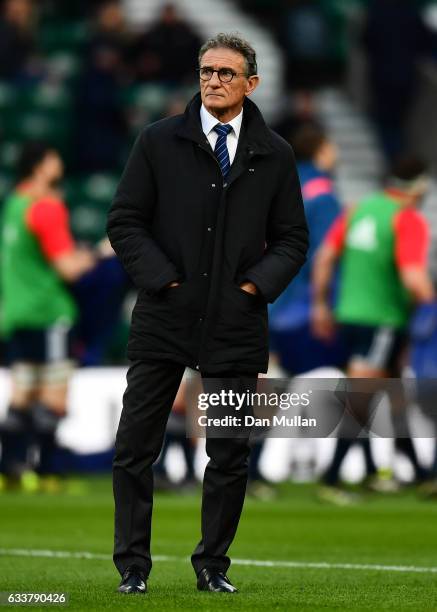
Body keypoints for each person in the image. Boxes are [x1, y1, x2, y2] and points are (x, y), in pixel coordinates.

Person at [107, 32, 308, 594]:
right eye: (205, 71)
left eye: (225, 72)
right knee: (135, 447)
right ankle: (132, 569)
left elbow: (292, 238)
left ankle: (213, 567)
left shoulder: (276, 154)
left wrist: (254, 287)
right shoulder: (157, 141)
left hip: (236, 323)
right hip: (164, 317)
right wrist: (164, 278)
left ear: (251, 83)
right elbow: (124, 220)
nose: (213, 80)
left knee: (228, 454)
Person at [311, 155, 435, 499]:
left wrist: (321, 305)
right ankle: (331, 479)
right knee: (363, 398)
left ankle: (423, 475)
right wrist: (429, 296)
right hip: (382, 319)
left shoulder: (359, 209)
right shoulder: (407, 219)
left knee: (391, 397)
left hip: (349, 316)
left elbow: (324, 259)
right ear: (419, 187)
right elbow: (414, 278)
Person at [0, 142, 96, 490]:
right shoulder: (46, 206)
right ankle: (47, 471)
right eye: (54, 157)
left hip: (16, 313)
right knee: (54, 397)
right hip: (48, 311)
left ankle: (9, 468)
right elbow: (67, 267)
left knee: (22, 393)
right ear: (41, 166)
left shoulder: (14, 203)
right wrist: (97, 254)